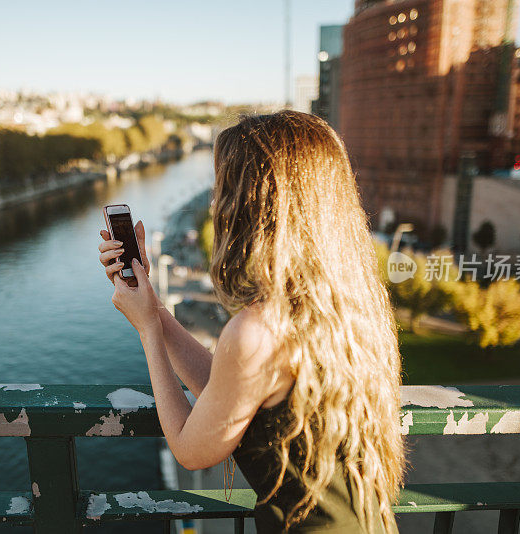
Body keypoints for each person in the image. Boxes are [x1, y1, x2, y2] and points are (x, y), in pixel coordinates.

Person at [98, 110, 404, 533]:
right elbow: (230, 390)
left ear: (251, 205)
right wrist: (155, 309)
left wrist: (148, 331)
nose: (212, 202)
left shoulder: (260, 330)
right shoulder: (345, 312)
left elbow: (191, 448)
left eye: (222, 187)